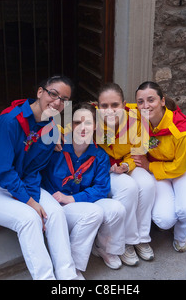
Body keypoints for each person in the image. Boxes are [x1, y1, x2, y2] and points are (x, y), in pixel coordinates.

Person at [0, 76, 79, 280]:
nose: (57, 102)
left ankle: (68, 276)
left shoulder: (50, 129)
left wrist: (33, 198)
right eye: (53, 94)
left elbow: (32, 171)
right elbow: (3, 171)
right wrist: (29, 203)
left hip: (20, 184)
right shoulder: (10, 120)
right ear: (40, 92)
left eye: (64, 100)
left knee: (54, 213)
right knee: (30, 219)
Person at [41, 102, 126, 275]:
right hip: (55, 205)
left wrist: (72, 199)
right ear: (70, 125)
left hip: (78, 201)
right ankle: (73, 266)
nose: (82, 128)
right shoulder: (56, 148)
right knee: (94, 213)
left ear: (95, 126)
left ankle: (104, 248)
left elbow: (102, 188)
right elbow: (39, 176)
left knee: (117, 208)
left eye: (88, 123)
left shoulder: (99, 155)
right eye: (77, 122)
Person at [133, 81, 186, 253]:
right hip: (157, 169)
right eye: (140, 102)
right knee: (164, 220)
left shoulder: (181, 131)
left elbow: (179, 167)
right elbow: (116, 108)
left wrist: (149, 165)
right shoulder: (137, 117)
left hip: (184, 169)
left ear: (162, 101)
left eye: (151, 100)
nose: (145, 106)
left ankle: (181, 234)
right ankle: (173, 219)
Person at [95, 83, 156, 266]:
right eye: (104, 106)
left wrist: (125, 166)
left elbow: (137, 150)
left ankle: (142, 238)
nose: (110, 110)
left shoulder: (137, 120)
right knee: (128, 188)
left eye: (115, 105)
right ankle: (127, 241)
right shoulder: (91, 120)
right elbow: (67, 127)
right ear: (97, 107)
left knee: (146, 183)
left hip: (126, 163)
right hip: (103, 170)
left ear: (124, 104)